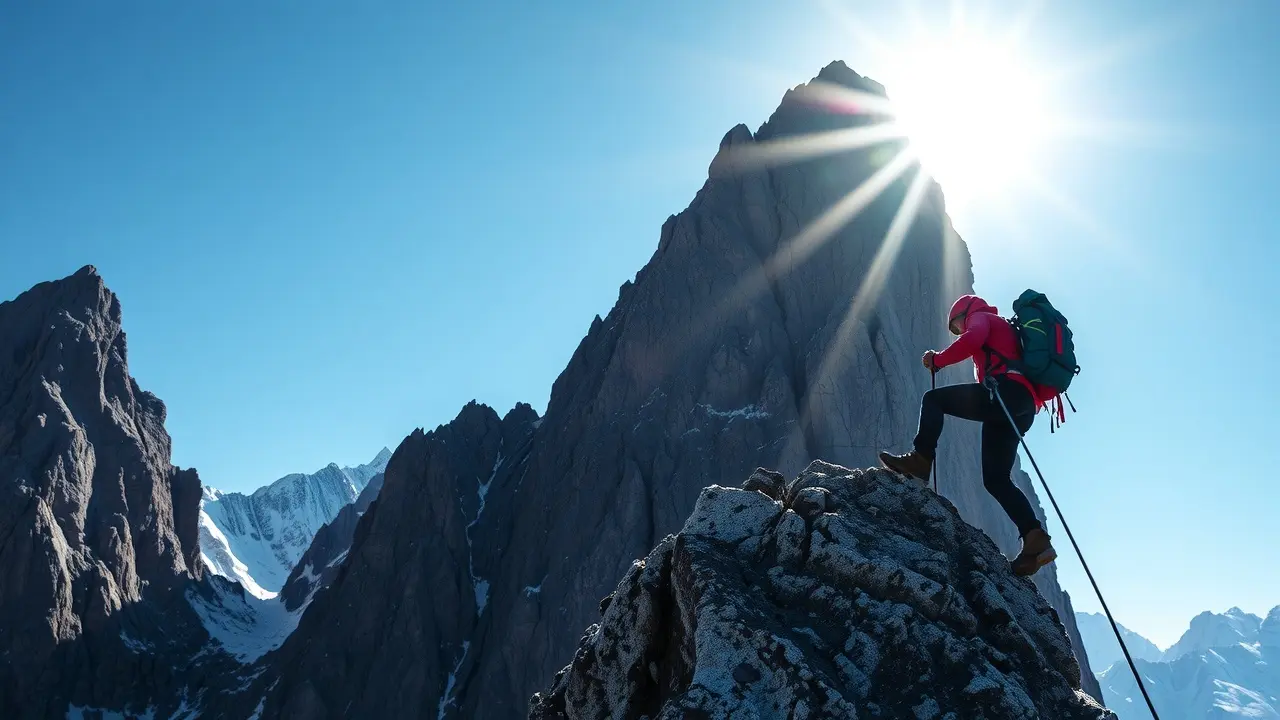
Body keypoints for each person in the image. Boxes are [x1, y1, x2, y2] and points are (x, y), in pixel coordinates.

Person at [878, 294, 1058, 577]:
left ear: (963, 313)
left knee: (934, 400)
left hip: (1005, 393)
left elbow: (973, 339)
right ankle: (1035, 540)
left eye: (956, 326)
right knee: (996, 479)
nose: (958, 331)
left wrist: (938, 359)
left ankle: (920, 461)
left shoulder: (981, 317)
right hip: (1022, 406)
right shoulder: (1005, 328)